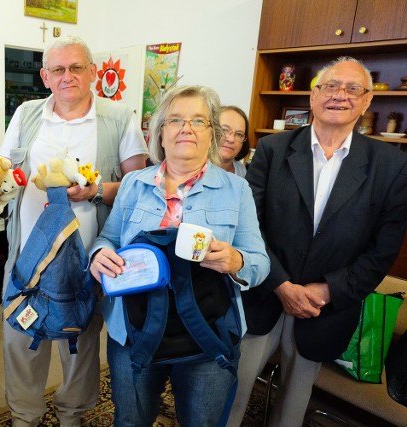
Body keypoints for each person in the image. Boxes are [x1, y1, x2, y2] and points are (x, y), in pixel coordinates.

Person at [227, 56, 407, 427]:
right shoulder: (273, 150)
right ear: (312, 97)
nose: (340, 95)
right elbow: (249, 225)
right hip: (264, 293)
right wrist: (281, 284)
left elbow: (383, 249)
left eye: (353, 88)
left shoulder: (392, 165)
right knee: (232, 390)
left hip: (325, 307)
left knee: (293, 406)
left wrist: (326, 291)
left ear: (367, 100)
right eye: (330, 86)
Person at [89, 85, 270, 426]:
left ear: (211, 135)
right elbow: (107, 238)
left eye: (198, 121)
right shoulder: (133, 183)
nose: (186, 128)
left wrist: (237, 262)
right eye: (175, 120)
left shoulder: (237, 189)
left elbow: (259, 263)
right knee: (130, 421)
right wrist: (100, 255)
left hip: (208, 334)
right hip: (134, 330)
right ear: (160, 134)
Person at [0, 35, 148, 427]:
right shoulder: (27, 114)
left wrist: (97, 191)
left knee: (79, 342)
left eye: (77, 67)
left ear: (93, 72)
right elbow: (3, 172)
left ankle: (72, 417)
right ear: (45, 76)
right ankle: (24, 417)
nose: (68, 76)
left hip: (88, 260)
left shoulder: (118, 118)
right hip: (28, 258)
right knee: (20, 336)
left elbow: (139, 187)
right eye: (59, 69)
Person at [219, 105, 250, 177]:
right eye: (224, 130)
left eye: (239, 134)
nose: (231, 139)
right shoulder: (192, 169)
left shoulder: (241, 171)